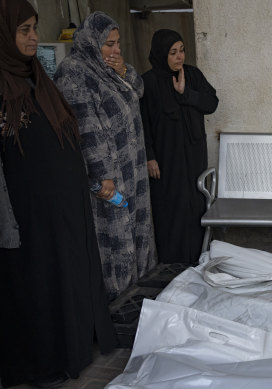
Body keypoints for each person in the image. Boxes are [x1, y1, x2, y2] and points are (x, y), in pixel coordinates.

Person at [0, 1, 116, 387]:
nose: (34, 37)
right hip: (29, 215)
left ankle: (77, 349)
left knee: (70, 274)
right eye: (24, 31)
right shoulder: (3, 86)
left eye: (35, 28)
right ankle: (46, 363)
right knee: (41, 283)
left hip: (65, 204)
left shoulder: (38, 79)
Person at [54, 11, 156, 300]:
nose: (115, 50)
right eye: (108, 43)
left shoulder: (110, 68)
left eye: (118, 43)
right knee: (115, 239)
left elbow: (139, 90)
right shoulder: (74, 71)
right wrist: (102, 175)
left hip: (130, 168)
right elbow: (85, 126)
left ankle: (137, 296)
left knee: (135, 230)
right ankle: (115, 303)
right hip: (108, 177)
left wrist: (124, 70)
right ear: (91, 42)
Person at [140, 29, 218, 263]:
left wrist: (187, 94)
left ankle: (197, 258)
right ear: (161, 53)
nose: (179, 57)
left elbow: (211, 103)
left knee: (195, 206)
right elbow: (143, 122)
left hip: (194, 156)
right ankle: (170, 263)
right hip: (166, 159)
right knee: (170, 208)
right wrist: (150, 156)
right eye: (173, 52)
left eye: (182, 50)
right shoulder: (149, 83)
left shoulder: (192, 75)